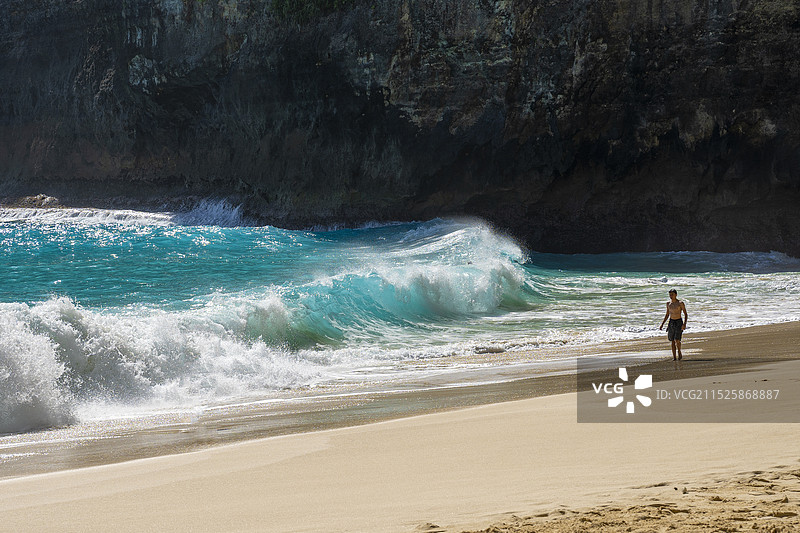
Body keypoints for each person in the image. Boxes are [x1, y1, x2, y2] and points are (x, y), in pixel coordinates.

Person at [659, 289, 688, 360]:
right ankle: (674, 357)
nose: (671, 296)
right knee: (672, 340)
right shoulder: (668, 304)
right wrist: (662, 324)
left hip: (679, 321)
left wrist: (684, 324)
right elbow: (667, 314)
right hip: (671, 322)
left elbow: (685, 314)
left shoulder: (680, 303)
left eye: (672, 294)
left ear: (676, 295)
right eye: (670, 295)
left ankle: (679, 351)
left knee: (677, 340)